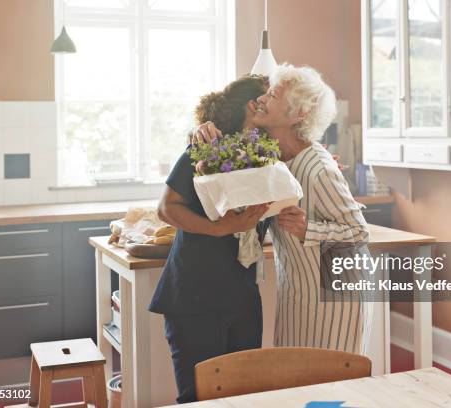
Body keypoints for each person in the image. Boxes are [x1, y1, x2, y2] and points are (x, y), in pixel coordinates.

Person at [194, 63, 372, 355]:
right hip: (297, 291)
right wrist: (201, 131)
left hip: (335, 300)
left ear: (298, 113)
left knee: (330, 389)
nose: (262, 100)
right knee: (294, 383)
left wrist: (308, 228)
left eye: (273, 95)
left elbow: (359, 232)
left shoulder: (319, 169)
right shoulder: (273, 159)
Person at [149, 75, 271, 404]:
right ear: (253, 105)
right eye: (269, 99)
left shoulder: (267, 152)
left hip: (243, 295)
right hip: (195, 296)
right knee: (199, 397)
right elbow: (166, 208)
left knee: (244, 395)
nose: (274, 106)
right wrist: (220, 228)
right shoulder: (207, 145)